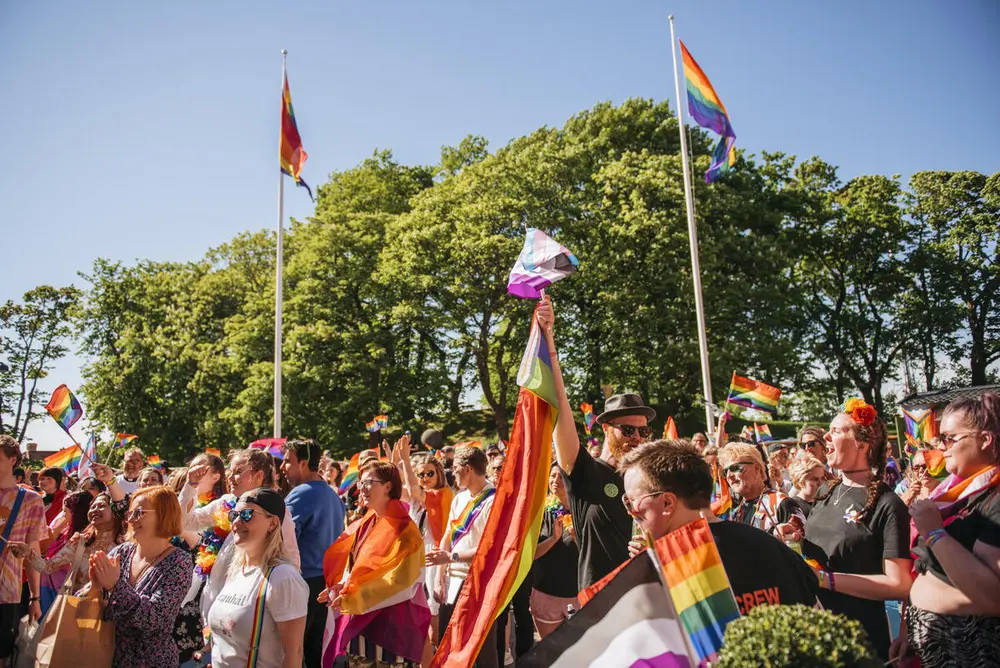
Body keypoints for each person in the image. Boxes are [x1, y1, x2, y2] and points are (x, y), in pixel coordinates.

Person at [620, 439, 819, 615]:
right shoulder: (765, 540)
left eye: (631, 501)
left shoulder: (669, 571)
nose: (630, 512)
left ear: (667, 503)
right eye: (726, 471)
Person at [540, 285, 651, 591]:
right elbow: (560, 411)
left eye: (643, 431)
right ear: (605, 428)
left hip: (645, 596)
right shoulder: (587, 472)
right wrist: (549, 342)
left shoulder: (651, 480)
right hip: (599, 601)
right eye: (627, 430)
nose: (637, 437)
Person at [889, 393, 1000, 667]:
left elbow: (993, 595)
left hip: (972, 649)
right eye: (940, 439)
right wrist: (908, 631)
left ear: (985, 440)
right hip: (933, 645)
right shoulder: (951, 493)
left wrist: (935, 534)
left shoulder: (995, 498)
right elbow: (925, 570)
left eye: (950, 438)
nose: (942, 447)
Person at [803, 399, 912, 660]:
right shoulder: (825, 490)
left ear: (862, 443)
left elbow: (899, 585)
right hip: (814, 633)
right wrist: (800, 534)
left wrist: (826, 580)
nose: (825, 436)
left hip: (859, 640)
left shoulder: (888, 504)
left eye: (837, 431)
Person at [320, 462, 431, 667]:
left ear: (388, 486)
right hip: (360, 633)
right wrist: (342, 586)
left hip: (391, 635)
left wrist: (353, 597)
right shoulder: (366, 523)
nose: (361, 487)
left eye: (369, 482)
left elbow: (405, 584)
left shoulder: (406, 530)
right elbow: (357, 569)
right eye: (361, 482)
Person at [179, 448, 299, 621]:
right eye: (230, 471)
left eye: (238, 472)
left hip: (249, 607)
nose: (230, 477)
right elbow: (185, 523)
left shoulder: (275, 511)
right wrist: (191, 485)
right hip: (214, 601)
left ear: (258, 476)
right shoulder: (226, 503)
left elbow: (291, 559)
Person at [87, 485, 193, 668]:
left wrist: (115, 586)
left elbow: (153, 619)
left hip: (150, 662)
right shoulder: (124, 551)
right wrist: (95, 587)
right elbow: (94, 599)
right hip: (107, 656)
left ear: (163, 515)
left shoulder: (179, 561)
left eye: (139, 513)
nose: (131, 520)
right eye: (130, 514)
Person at [208, 489, 308, 668]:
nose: (237, 522)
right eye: (233, 515)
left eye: (247, 514)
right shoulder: (236, 571)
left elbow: (294, 654)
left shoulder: (282, 577)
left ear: (273, 523)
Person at [426, 445, 498, 667]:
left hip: (479, 583)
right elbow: (448, 535)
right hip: (451, 582)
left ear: (467, 469)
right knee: (451, 646)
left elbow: (490, 548)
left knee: (483, 648)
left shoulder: (493, 500)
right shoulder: (459, 498)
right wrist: (439, 577)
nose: (452, 473)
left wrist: (450, 557)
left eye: (455, 468)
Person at [281, 438, 345, 668]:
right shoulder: (332, 495)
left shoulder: (301, 494)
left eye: (288, 462)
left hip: (304, 583)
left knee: (295, 651)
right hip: (323, 584)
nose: (282, 467)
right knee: (314, 650)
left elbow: (282, 538)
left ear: (304, 463)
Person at [11, 492, 122, 616]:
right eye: (92, 507)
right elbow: (47, 567)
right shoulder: (80, 541)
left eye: (101, 506)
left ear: (115, 511)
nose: (94, 510)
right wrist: (28, 553)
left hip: (111, 613)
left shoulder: (126, 544)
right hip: (78, 609)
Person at [397, 436, 453, 651]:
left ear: (439, 472)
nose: (426, 477)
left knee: (433, 607)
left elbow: (413, 491)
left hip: (435, 553)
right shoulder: (420, 497)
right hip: (417, 554)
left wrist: (405, 460)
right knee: (417, 605)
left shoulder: (443, 494)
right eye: (421, 474)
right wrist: (398, 463)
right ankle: (424, 653)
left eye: (430, 473)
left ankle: (435, 650)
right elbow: (400, 490)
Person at [0, 435, 46, 666]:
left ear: (13, 460)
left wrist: (35, 597)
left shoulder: (30, 500)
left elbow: (33, 551)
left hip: (6, 592)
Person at [531, 462, 579, 638]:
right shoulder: (540, 511)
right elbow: (531, 554)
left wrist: (577, 539)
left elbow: (594, 553)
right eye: (552, 475)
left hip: (576, 594)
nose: (555, 480)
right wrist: (553, 539)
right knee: (550, 652)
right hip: (546, 592)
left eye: (561, 476)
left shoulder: (582, 510)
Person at [718, 443, 804, 539]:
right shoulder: (736, 511)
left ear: (756, 469)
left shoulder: (782, 503)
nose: (729, 476)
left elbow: (802, 546)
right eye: (726, 472)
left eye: (735, 468)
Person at [787, 454, 826, 519]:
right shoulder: (793, 506)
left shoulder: (825, 502)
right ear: (800, 481)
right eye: (815, 479)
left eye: (822, 478)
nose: (821, 483)